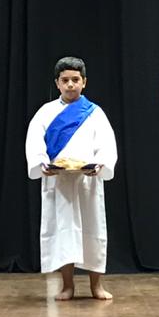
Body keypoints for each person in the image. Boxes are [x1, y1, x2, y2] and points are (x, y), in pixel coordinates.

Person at [24, 56, 118, 301]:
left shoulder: (95, 113)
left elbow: (106, 145)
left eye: (75, 79)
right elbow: (35, 143)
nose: (70, 85)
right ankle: (67, 285)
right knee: (63, 232)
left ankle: (96, 286)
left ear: (84, 82)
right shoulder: (45, 112)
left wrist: (100, 164)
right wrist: (42, 164)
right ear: (57, 83)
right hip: (59, 181)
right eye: (65, 80)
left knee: (93, 230)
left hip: (87, 181)